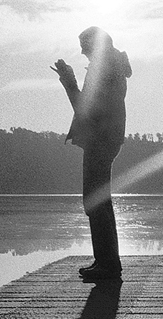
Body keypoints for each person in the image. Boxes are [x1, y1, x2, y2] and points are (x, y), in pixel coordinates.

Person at [52, 26, 132, 281]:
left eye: (84, 45)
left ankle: (107, 264)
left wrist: (68, 81)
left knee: (94, 200)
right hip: (107, 139)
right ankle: (107, 262)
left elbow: (83, 108)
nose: (82, 51)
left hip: (100, 139)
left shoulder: (103, 68)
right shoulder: (112, 66)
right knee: (100, 200)